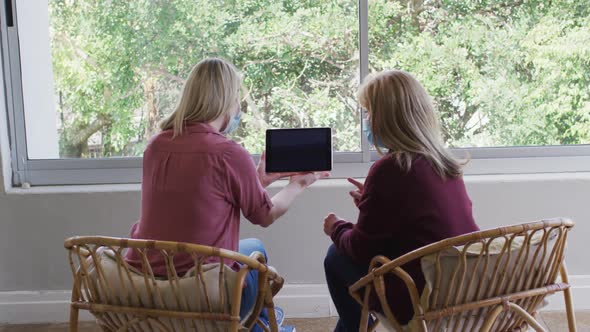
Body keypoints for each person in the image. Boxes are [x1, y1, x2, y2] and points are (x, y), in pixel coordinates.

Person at [125, 58, 328, 332]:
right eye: (237, 100)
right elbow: (264, 215)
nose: (238, 108)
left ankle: (263, 324)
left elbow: (202, 196)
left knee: (251, 248)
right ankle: (263, 325)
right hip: (202, 292)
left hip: (148, 283)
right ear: (226, 101)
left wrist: (257, 181)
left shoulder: (156, 146)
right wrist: (299, 184)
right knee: (257, 256)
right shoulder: (228, 153)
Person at [322, 70, 479, 331]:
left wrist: (336, 227)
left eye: (369, 113)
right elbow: (418, 224)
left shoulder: (390, 169)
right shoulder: (444, 163)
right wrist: (371, 202)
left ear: (388, 119)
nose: (367, 121)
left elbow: (361, 249)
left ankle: (352, 327)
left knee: (335, 255)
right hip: (460, 285)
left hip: (419, 296)